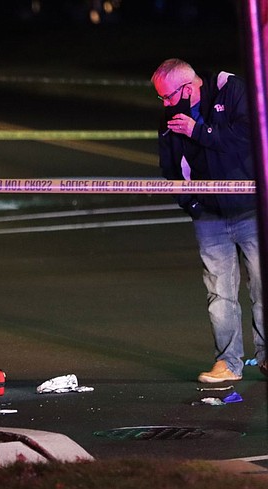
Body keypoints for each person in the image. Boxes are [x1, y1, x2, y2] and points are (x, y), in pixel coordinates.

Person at [151, 58, 265, 383]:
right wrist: (194, 204)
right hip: (210, 218)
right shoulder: (170, 119)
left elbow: (248, 138)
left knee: (262, 285)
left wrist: (198, 131)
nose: (165, 104)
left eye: (168, 97)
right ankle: (228, 363)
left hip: (251, 210)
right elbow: (171, 169)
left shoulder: (230, 90)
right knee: (219, 291)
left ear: (188, 88)